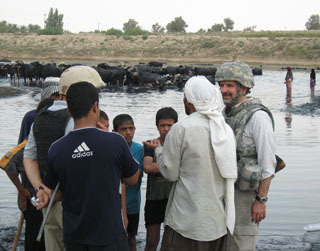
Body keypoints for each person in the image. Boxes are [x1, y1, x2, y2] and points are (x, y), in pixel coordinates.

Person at [41, 82, 140, 251]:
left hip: (75, 236)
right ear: (96, 107)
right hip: (109, 235)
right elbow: (133, 178)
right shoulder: (115, 141)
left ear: (69, 111)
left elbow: (55, 193)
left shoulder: (56, 149)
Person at [144, 76, 237, 251]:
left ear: (190, 101)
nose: (184, 100)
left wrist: (158, 151)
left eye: (186, 97)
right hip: (216, 222)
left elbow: (170, 173)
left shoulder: (182, 128)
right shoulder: (224, 129)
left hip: (185, 222)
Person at [24, 66, 105, 251]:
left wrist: (41, 188)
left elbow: (29, 158)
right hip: (75, 206)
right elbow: (82, 167)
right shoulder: (77, 120)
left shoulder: (40, 117)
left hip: (48, 202)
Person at [216, 61, 277, 251]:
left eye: (230, 86)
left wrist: (261, 200)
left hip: (246, 197)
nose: (224, 90)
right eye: (221, 85)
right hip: (223, 192)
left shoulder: (258, 117)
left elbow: (269, 165)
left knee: (242, 243)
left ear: (244, 88)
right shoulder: (225, 113)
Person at [4, 78, 60, 251]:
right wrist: (23, 191)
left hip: (54, 188)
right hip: (34, 185)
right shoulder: (33, 116)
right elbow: (24, 154)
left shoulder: (63, 116)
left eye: (61, 95)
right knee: (35, 236)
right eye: (55, 95)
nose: (58, 100)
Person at [142, 107, 178, 251]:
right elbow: (148, 167)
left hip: (174, 198)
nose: (166, 129)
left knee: (172, 241)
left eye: (170, 125)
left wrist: (163, 167)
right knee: (151, 241)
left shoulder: (178, 144)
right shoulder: (150, 144)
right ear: (157, 126)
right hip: (154, 199)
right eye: (162, 125)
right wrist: (172, 167)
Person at [113, 114, 144, 251]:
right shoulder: (110, 148)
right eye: (123, 129)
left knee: (131, 236)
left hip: (132, 203)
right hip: (114, 204)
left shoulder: (139, 149)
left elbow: (135, 176)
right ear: (115, 132)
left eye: (131, 128)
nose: (128, 133)